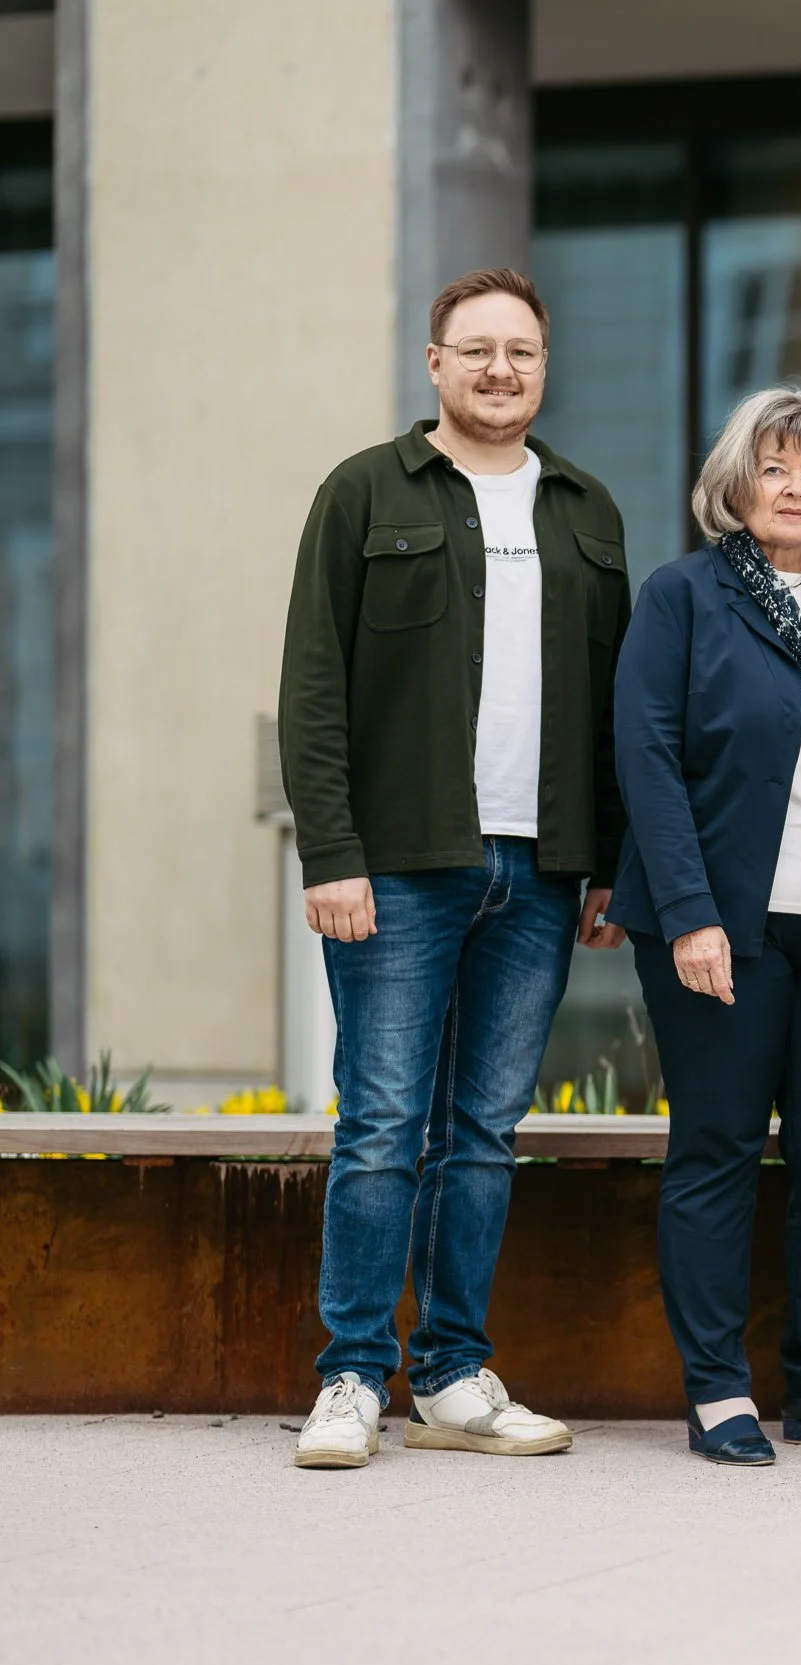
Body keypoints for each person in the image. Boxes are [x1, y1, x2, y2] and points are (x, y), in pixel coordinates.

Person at [278, 268, 628, 1469]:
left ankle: (452, 1373)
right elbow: (313, 686)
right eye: (474, 350)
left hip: (536, 872)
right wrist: (332, 851)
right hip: (401, 865)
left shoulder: (587, 508)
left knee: (483, 1129)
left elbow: (609, 706)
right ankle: (350, 1375)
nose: (498, 370)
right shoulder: (365, 491)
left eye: (520, 352)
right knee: (382, 1126)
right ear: (434, 363)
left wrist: (605, 865)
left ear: (543, 367)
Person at [607, 388, 801, 1466]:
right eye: (775, 467)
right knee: (719, 1149)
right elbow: (645, 757)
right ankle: (716, 1388)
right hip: (718, 924)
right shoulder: (681, 598)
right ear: (734, 485)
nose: (796, 487)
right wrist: (689, 915)